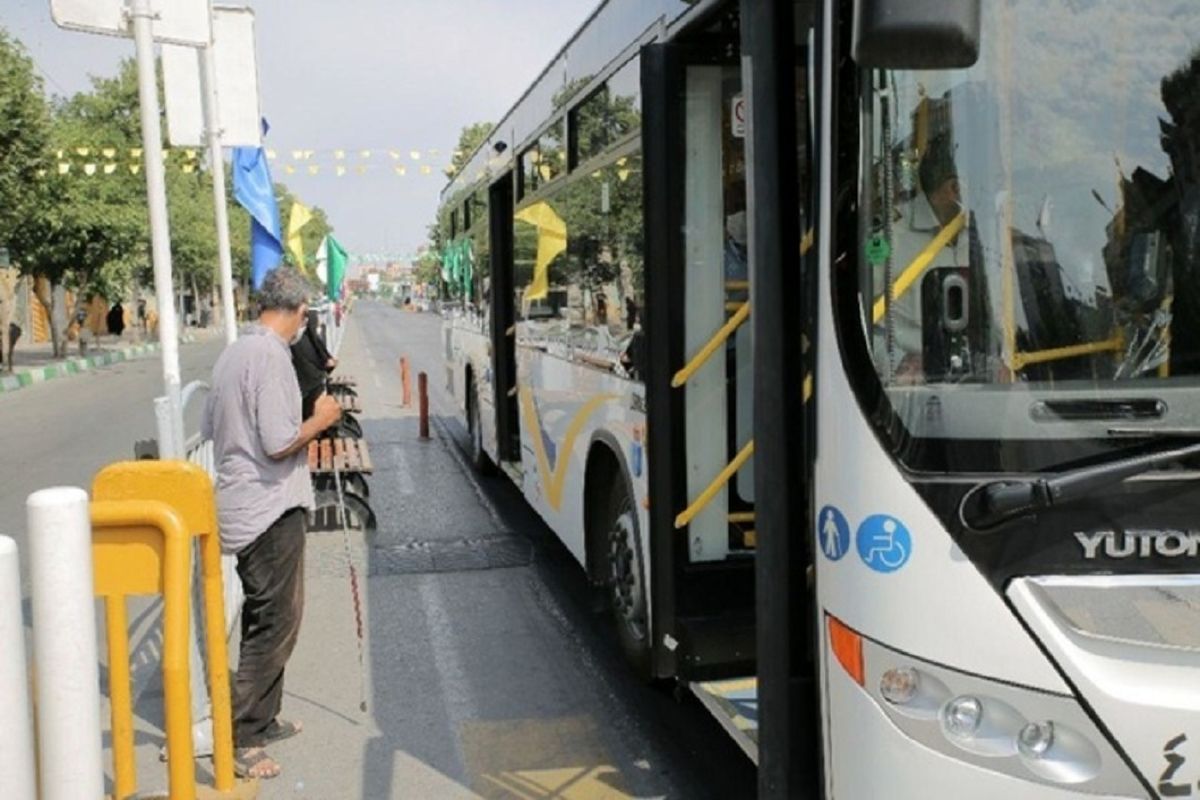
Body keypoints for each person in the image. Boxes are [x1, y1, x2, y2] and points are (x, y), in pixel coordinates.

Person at [200, 268, 342, 780]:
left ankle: (265, 717)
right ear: (299, 310)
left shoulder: (236, 352)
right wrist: (321, 420)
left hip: (244, 500)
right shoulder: (271, 357)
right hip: (268, 507)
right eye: (307, 313)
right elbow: (280, 441)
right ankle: (243, 737)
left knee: (274, 616)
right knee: (274, 622)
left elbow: (211, 427)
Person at [291, 307, 337, 420]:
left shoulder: (300, 339)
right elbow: (324, 363)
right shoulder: (305, 341)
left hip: (305, 389)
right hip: (310, 388)